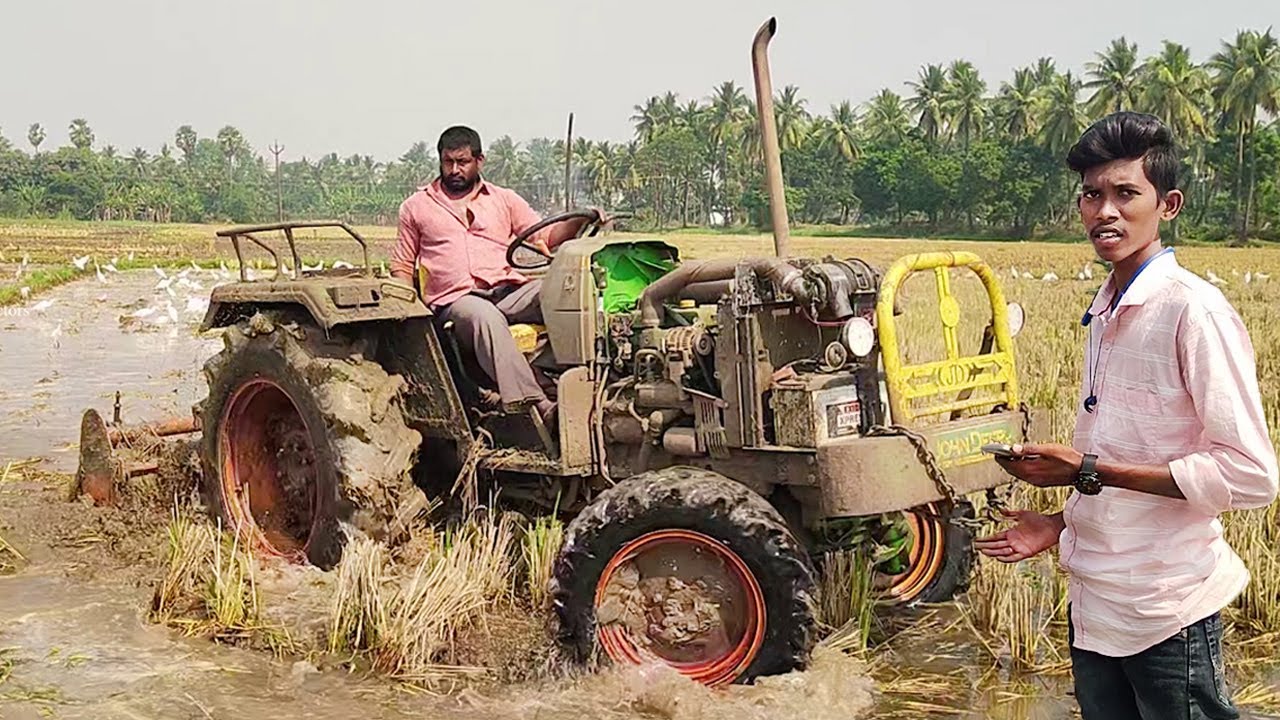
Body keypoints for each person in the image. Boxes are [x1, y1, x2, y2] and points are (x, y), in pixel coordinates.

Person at [974, 111, 1278, 720]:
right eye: (1092, 195)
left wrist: (1086, 469)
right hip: (1095, 607)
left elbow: (1251, 475)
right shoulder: (1105, 309)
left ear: (1168, 205)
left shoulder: (1194, 313)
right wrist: (1061, 523)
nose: (1105, 211)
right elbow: (1124, 453)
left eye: (1125, 194)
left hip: (1166, 611)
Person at [390, 125, 600, 425]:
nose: (454, 170)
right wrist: (406, 313)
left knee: (567, 291)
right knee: (484, 317)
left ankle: (583, 379)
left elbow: (547, 236)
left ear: (479, 160)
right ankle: (541, 406)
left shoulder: (504, 199)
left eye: (462, 162)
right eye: (448, 162)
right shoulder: (416, 207)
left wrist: (580, 218)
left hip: (508, 292)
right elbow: (402, 265)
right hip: (457, 302)